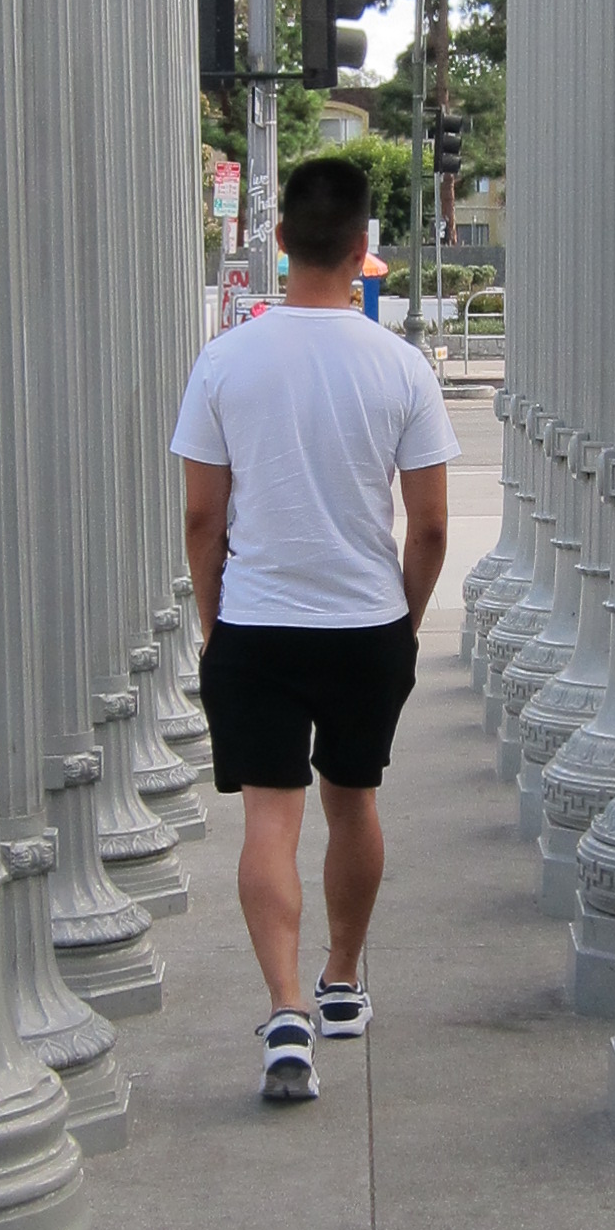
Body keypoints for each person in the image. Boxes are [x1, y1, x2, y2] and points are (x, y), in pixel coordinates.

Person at [173, 151, 455, 1103]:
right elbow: (430, 526)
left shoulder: (226, 360)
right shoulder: (401, 366)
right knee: (354, 800)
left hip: (257, 621)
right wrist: (404, 624)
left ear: (283, 237)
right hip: (366, 620)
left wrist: (215, 622)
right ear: (364, 245)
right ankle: (342, 981)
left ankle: (285, 1010)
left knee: (270, 815)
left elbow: (202, 518)